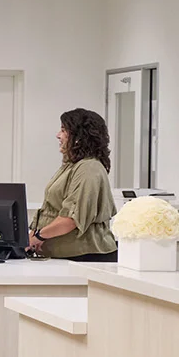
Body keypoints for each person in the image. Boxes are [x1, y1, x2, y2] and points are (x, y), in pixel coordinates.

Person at [26, 108, 121, 262]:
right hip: (66, 256)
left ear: (79, 137)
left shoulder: (88, 168)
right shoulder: (72, 166)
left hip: (85, 256)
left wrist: (37, 237)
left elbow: (71, 219)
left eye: (63, 130)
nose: (58, 135)